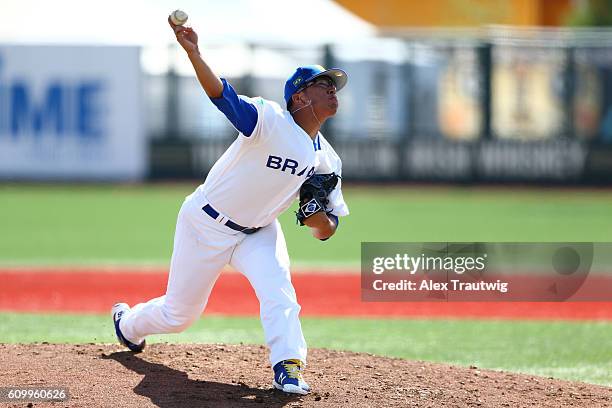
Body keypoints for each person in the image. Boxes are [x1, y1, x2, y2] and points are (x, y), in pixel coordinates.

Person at [111, 16, 349, 395]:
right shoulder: (271, 120)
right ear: (300, 97)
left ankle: (288, 366)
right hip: (204, 222)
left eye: (334, 86)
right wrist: (195, 53)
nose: (333, 90)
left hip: (260, 232)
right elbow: (223, 96)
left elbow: (327, 228)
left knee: (280, 293)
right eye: (323, 85)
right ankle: (127, 325)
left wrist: (318, 218)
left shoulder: (328, 161)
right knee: (179, 314)